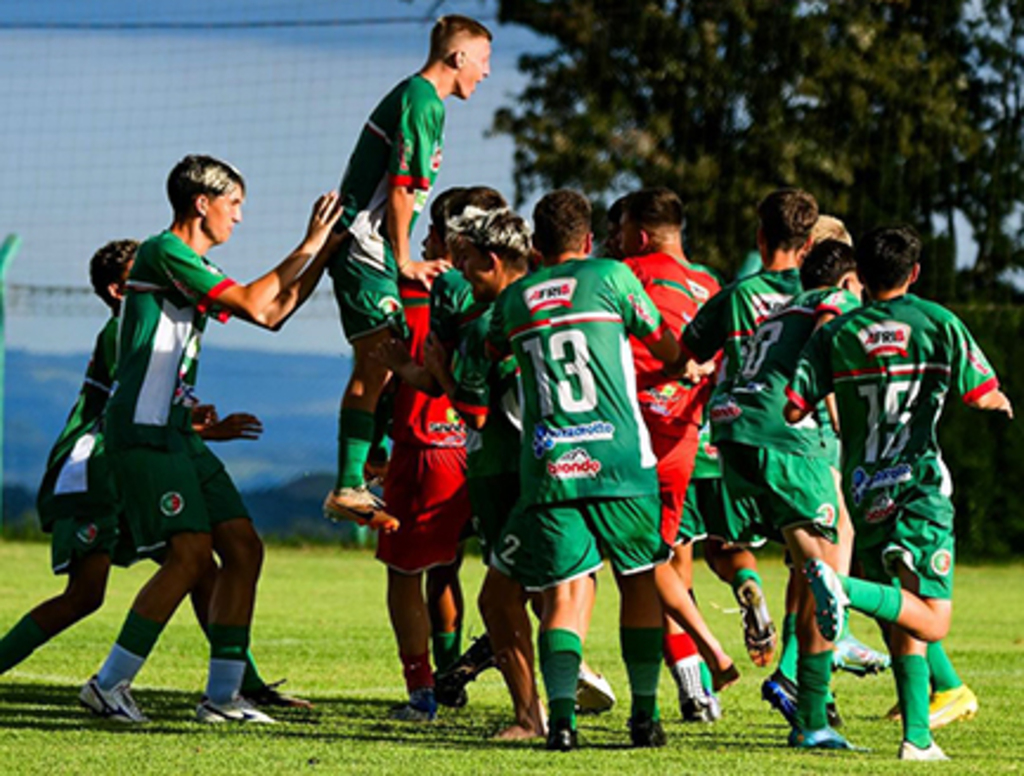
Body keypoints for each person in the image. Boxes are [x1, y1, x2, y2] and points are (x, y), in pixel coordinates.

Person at [80, 155, 342, 724]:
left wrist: (325, 253)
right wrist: (310, 240)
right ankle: (108, 683)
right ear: (203, 203)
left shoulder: (189, 265)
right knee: (191, 554)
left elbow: (270, 315)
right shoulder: (164, 251)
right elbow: (252, 300)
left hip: (177, 437)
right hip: (144, 435)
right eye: (235, 204)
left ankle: (223, 698)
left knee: (245, 547)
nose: (239, 218)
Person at [785, 225, 1012, 760]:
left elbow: (794, 408)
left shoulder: (835, 333)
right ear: (914, 273)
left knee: (905, 617)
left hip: (865, 491)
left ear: (859, 275)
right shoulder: (938, 322)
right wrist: (999, 403)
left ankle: (918, 740)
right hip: (918, 487)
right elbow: (980, 394)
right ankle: (839, 587)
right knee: (933, 619)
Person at [487, 190, 687, 751]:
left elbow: (483, 349)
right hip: (621, 464)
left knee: (566, 593)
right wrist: (682, 361)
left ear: (536, 245)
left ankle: (564, 723)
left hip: (551, 466)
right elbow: (665, 347)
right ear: (589, 240)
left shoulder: (517, 298)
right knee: (639, 583)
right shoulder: (615, 279)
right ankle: (645, 718)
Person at [323, 15, 493, 527]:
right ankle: (349, 484)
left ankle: (369, 463)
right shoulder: (422, 101)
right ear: (458, 56)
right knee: (376, 362)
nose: (486, 73)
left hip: (370, 249)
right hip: (367, 248)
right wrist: (403, 260)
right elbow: (401, 189)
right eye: (483, 60)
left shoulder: (419, 100)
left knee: (393, 357)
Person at [714, 239, 864, 749]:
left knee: (817, 555)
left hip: (734, 432)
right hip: (783, 434)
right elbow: (828, 333)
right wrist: (835, 415)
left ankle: (808, 672)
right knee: (824, 567)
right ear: (847, 281)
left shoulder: (779, 307)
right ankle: (811, 697)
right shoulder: (839, 299)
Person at [679, 189, 822, 666]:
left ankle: (746, 590)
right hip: (800, 441)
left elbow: (689, 350)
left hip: (732, 439)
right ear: (807, 248)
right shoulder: (817, 298)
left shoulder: (736, 294)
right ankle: (802, 675)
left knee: (722, 547)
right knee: (812, 563)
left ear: (760, 238)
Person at [616, 188, 739, 721]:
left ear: (639, 235)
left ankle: (566, 688)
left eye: (621, 231)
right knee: (666, 559)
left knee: (602, 574)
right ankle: (696, 690)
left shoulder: (626, 273)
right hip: (686, 439)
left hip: (626, 437)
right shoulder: (710, 284)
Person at [366, 187, 474, 723]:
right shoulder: (499, 289)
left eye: (431, 231)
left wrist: (367, 446)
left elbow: (384, 377)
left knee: (404, 574)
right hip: (481, 447)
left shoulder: (416, 288)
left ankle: (424, 692)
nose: (424, 239)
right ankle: (458, 677)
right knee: (454, 569)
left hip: (427, 447)